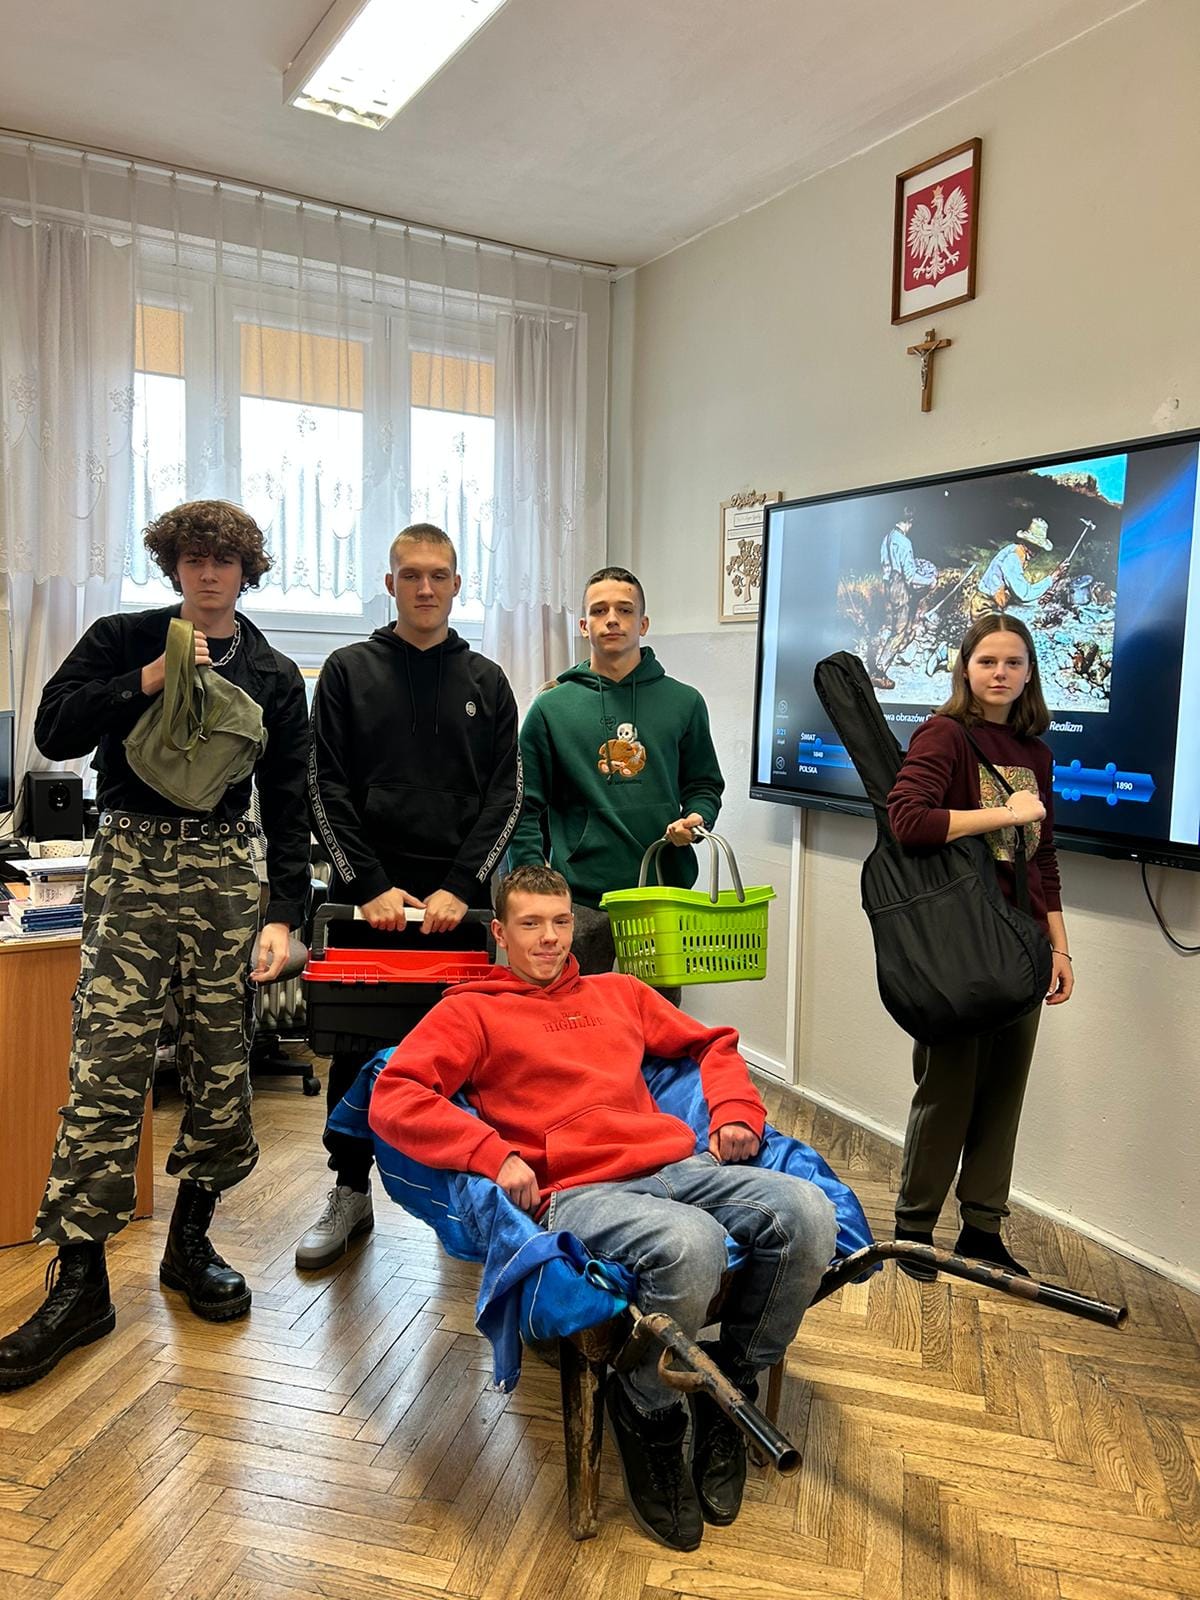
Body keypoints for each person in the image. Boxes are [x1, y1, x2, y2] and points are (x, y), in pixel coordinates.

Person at [367, 863, 837, 1551]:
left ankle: (729, 1386)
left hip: (677, 1164)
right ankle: (649, 1412)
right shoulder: (469, 1011)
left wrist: (736, 1109)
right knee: (692, 1244)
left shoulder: (620, 991)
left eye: (560, 921)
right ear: (500, 933)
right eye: (530, 924)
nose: (549, 938)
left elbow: (711, 1042)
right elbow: (396, 1093)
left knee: (808, 1212)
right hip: (576, 1193)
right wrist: (492, 1154)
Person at [0, 500, 311, 1392]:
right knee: (105, 1065)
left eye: (224, 559)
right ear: (173, 565)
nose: (209, 572)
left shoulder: (272, 673)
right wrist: (143, 679)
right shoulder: (121, 638)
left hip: (225, 873)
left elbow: (290, 799)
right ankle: (82, 1283)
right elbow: (54, 731)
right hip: (131, 863)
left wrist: (286, 914)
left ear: (246, 571)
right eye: (193, 557)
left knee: (220, 1063)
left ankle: (191, 1244)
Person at [299, 522, 521, 1269]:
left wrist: (461, 886)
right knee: (358, 1052)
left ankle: (471, 1202)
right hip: (369, 900)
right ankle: (349, 1190)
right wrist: (368, 886)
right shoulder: (346, 670)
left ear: (457, 585)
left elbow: (507, 797)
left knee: (470, 1056)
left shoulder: (488, 681)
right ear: (390, 584)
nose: (426, 588)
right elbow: (323, 786)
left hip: (460, 905)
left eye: (439, 575)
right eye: (411, 575)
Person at [886, 613, 1074, 1281]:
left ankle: (983, 1230)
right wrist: (1007, 812)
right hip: (960, 946)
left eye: (1013, 662)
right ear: (965, 668)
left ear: (1029, 673)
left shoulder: (1036, 754)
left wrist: (1060, 948)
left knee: (1003, 1091)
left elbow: (1044, 856)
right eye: (987, 661)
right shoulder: (944, 735)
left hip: (1023, 947)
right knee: (949, 1087)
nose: (1000, 673)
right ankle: (913, 1230)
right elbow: (908, 821)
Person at [508, 566, 723, 999]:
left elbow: (703, 785)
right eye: (599, 610)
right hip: (579, 897)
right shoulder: (551, 708)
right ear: (583, 625)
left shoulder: (684, 702)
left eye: (624, 610)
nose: (612, 620)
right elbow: (523, 806)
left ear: (642, 623)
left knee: (657, 1021)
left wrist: (697, 819)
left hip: (660, 894)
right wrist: (534, 885)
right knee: (567, 1017)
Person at [869, 507, 938, 689]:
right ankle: (879, 672)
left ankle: (889, 658)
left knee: (900, 627)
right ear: (910, 521)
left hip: (889, 585)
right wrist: (930, 581)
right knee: (899, 631)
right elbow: (910, 576)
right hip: (900, 586)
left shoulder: (887, 538)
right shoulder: (904, 542)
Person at [971, 517, 1063, 618]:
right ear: (1028, 544)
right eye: (1036, 547)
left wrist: (1038, 601)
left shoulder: (1016, 552)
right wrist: (1052, 578)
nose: (1038, 551)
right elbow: (1024, 594)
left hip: (994, 605)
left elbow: (1014, 593)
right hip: (985, 609)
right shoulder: (1013, 559)